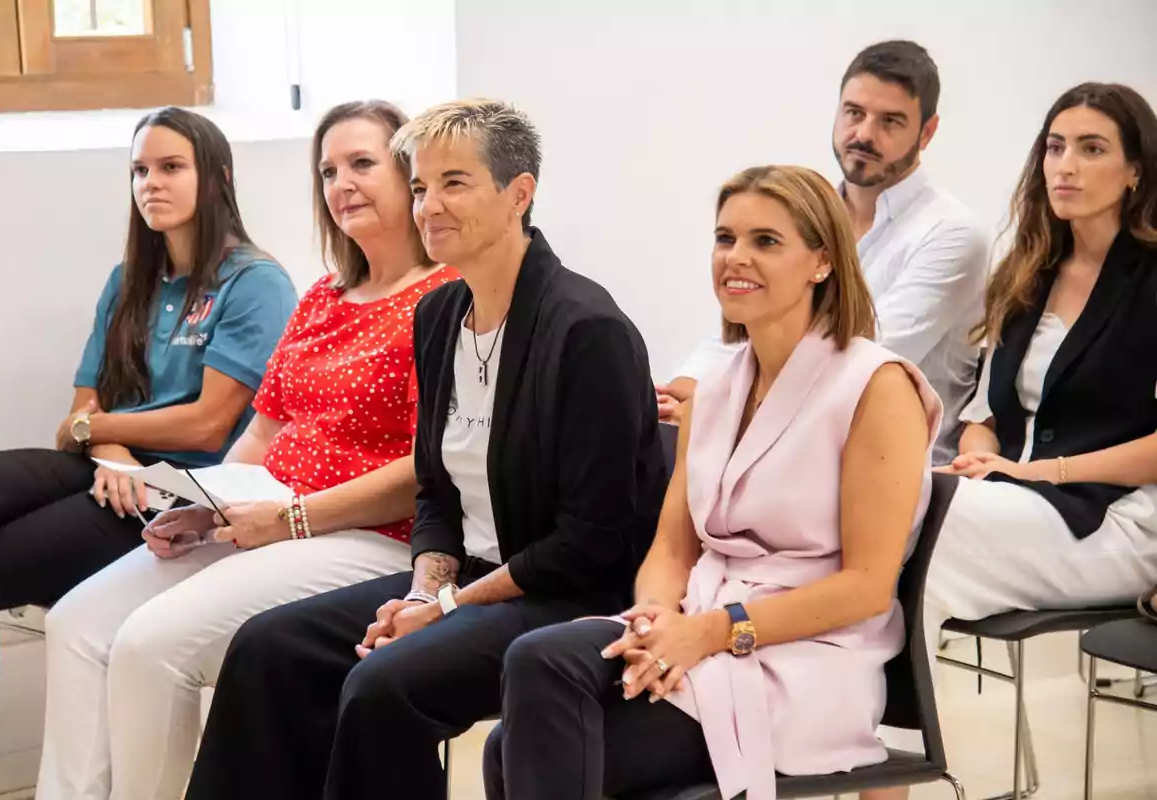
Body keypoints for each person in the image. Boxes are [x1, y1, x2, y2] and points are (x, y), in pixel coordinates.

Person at [184, 98, 668, 800]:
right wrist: (423, 589)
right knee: (270, 649)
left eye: (455, 183)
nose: (428, 206)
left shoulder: (587, 330)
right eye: (418, 186)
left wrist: (443, 608)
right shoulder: (441, 315)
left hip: (567, 595)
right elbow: (436, 489)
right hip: (469, 577)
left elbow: (590, 544)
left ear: (519, 194)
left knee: (384, 685)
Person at [34, 101, 458, 800]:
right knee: (77, 623)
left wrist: (289, 520)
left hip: (366, 531)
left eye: (362, 163)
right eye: (328, 170)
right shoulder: (324, 296)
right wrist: (211, 506)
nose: (342, 183)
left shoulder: (443, 300)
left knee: (150, 645)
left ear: (409, 173)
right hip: (263, 516)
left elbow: (426, 468)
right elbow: (261, 434)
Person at [484, 165, 940, 800]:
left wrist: (710, 632)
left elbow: (865, 588)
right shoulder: (717, 387)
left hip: (804, 661)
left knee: (520, 746)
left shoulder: (876, 387)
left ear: (822, 262)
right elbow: (673, 548)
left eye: (766, 241)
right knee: (532, 675)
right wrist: (654, 618)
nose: (736, 258)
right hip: (697, 630)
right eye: (725, 239)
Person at [0, 107, 296, 800]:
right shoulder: (128, 281)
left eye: (171, 167)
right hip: (113, 467)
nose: (150, 184)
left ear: (218, 177)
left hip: (182, 491)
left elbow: (209, 425)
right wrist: (109, 447)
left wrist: (105, 439)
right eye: (140, 170)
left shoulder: (255, 282)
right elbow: (82, 408)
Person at [870, 82, 1157, 800]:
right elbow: (987, 409)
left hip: (1117, 519)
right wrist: (975, 446)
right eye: (1056, 147)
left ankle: (886, 766)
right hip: (1012, 499)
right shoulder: (1030, 270)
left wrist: (1043, 473)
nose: (1066, 165)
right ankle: (874, 753)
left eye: (1092, 150)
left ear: (1135, 172)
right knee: (897, 515)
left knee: (918, 525)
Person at [658, 40, 986, 465]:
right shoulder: (806, 213)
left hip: (889, 466)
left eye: (890, 121)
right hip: (772, 433)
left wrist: (713, 400)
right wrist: (678, 390)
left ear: (927, 131)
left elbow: (856, 353)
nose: (864, 134)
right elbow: (753, 322)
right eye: (854, 113)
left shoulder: (953, 233)